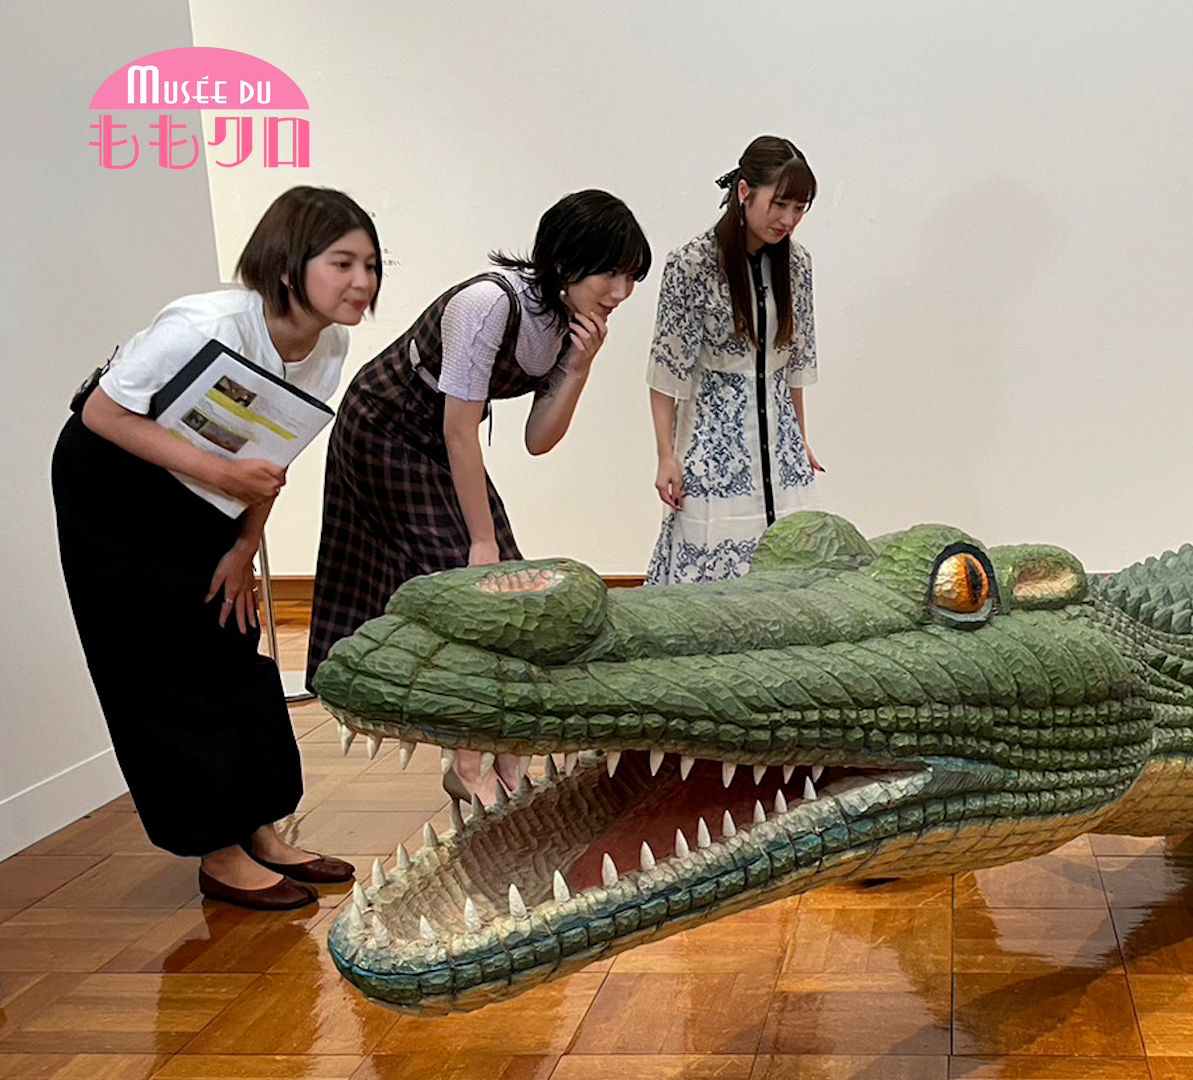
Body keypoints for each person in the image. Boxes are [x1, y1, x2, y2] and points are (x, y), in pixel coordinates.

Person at [53, 186, 379, 910]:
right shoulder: (207, 324)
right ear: (289, 264)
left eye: (370, 264)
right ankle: (218, 850)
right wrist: (223, 476)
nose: (362, 281)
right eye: (342, 263)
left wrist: (245, 545)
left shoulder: (330, 342)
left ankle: (260, 828)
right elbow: (102, 413)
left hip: (209, 485)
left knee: (232, 644)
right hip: (115, 486)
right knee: (158, 664)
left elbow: (273, 447)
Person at [306, 189, 650, 808]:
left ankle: (504, 748)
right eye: (611, 273)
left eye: (631, 277)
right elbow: (459, 431)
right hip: (384, 426)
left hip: (441, 438)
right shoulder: (488, 304)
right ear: (565, 262)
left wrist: (579, 367)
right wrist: (480, 539)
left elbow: (538, 441)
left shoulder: (567, 325)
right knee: (464, 577)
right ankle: (466, 761)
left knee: (512, 587)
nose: (621, 292)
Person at [647, 135, 823, 583]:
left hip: (779, 446)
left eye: (799, 208)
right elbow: (668, 369)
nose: (788, 220)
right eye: (779, 204)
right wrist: (666, 456)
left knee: (789, 572)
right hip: (711, 446)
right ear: (744, 191)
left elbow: (794, 368)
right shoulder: (692, 263)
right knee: (712, 578)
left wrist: (800, 439)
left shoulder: (798, 264)